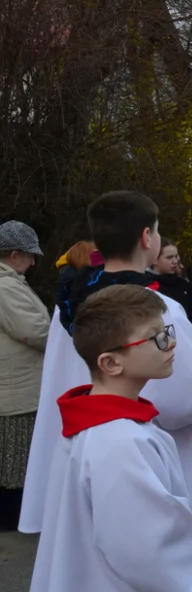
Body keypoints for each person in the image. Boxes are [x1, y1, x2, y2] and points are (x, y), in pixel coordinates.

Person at [20, 191, 192, 534]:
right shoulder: (157, 308)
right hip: (152, 450)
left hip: (83, 446)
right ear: (147, 237)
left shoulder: (69, 304)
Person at [29, 285, 192, 591]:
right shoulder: (118, 440)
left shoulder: (102, 425)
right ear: (111, 363)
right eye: (157, 337)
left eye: (168, 331)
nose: (172, 343)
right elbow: (141, 549)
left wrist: (189, 522)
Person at [0, 222, 49, 530]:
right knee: (15, 461)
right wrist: (62, 338)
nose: (33, 263)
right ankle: (12, 524)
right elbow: (33, 330)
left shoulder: (11, 282)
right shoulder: (5, 286)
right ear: (15, 255)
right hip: (16, 389)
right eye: (30, 256)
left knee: (16, 458)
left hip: (18, 383)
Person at [149, 238, 192, 326]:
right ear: (154, 260)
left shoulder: (184, 284)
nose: (175, 261)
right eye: (169, 257)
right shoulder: (147, 285)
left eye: (176, 256)